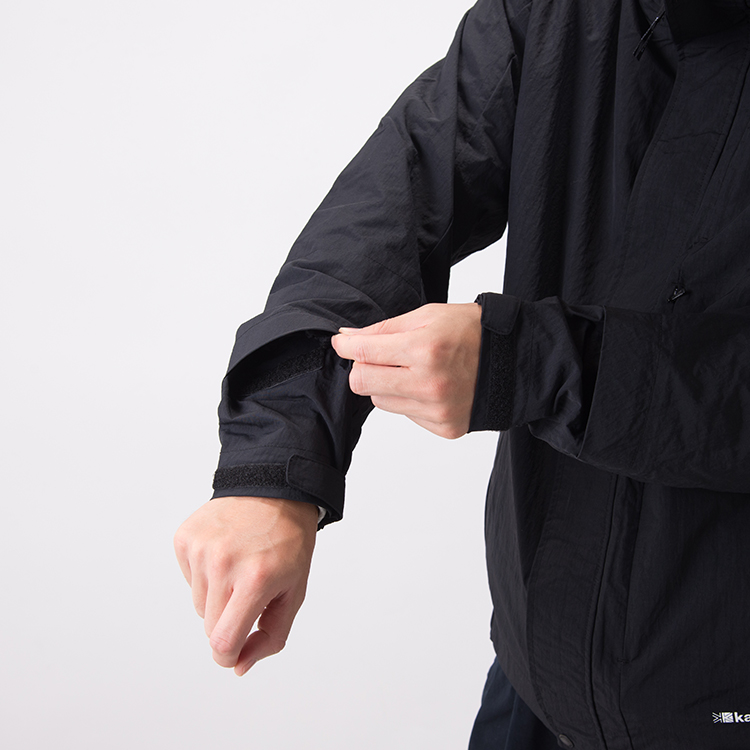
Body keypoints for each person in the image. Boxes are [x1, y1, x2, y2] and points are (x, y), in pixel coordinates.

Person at [174, 0, 750, 747]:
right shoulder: (560, 13)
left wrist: (536, 364)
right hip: (535, 682)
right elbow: (401, 192)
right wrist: (275, 470)